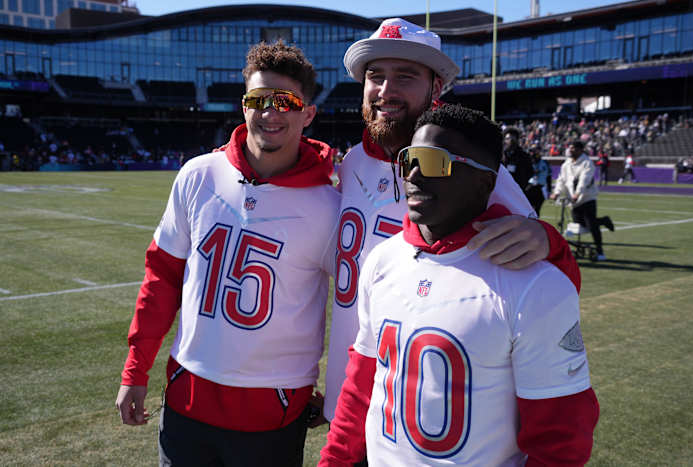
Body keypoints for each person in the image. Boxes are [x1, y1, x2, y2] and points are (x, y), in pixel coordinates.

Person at [323, 17, 581, 431]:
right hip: (352, 403)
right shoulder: (351, 162)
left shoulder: (470, 171)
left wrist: (548, 240)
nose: (386, 91)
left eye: (405, 76)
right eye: (376, 76)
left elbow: (548, 279)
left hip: (427, 420)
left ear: (436, 89)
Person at [319, 104, 599, 466]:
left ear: (485, 181)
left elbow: (562, 440)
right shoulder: (382, 260)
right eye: (410, 159)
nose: (414, 175)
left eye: (435, 161)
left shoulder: (536, 284)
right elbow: (360, 388)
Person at [115, 41, 338, 466]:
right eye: (259, 100)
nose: (270, 114)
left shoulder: (331, 202)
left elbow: (355, 311)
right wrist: (135, 369)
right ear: (243, 105)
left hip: (274, 408)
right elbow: (162, 277)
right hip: (188, 395)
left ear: (307, 113)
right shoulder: (199, 174)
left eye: (285, 102)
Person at [550, 140, 615, 261]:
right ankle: (604, 220)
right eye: (570, 148)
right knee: (580, 224)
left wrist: (578, 193)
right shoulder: (566, 164)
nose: (570, 150)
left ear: (580, 150)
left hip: (587, 198)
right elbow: (561, 179)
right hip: (573, 200)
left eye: (573, 148)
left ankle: (600, 251)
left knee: (591, 225)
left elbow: (584, 179)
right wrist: (556, 192)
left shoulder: (587, 163)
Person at [503, 126, 534, 192]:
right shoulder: (501, 155)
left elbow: (530, 172)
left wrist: (523, 184)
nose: (510, 141)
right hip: (503, 189)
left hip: (518, 189)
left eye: (513, 138)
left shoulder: (524, 156)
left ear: (517, 140)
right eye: (507, 138)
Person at [525, 149, 550, 217]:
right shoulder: (530, 163)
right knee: (528, 207)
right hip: (531, 186)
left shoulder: (544, 163)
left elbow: (548, 176)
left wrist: (549, 189)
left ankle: (535, 220)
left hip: (540, 187)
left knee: (538, 208)